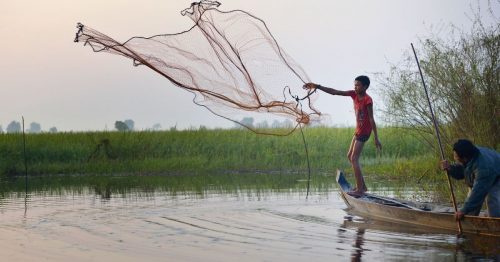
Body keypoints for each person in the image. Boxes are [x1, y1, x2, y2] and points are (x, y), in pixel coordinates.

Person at [303, 75, 382, 197]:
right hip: (358, 131)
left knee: (354, 158)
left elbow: (371, 119)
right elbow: (335, 92)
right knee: (350, 156)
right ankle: (363, 186)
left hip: (364, 132)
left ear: (365, 87)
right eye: (354, 85)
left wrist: (376, 138)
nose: (355, 87)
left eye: (358, 85)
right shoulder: (353, 95)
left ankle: (360, 189)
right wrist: (317, 86)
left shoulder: (368, 100)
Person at [441, 139, 500, 219]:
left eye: (456, 156)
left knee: (492, 200)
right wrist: (450, 168)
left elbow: (478, 193)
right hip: (484, 174)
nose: (455, 158)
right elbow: (462, 171)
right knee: (469, 206)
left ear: (464, 158)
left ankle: (495, 225)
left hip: (497, 174)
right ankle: (469, 221)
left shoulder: (483, 167)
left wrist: (463, 210)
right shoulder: (469, 155)